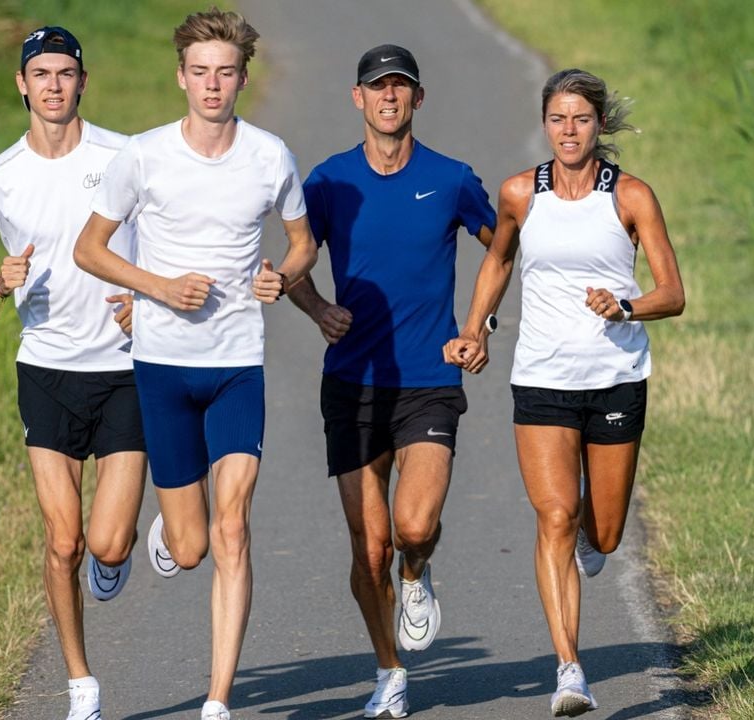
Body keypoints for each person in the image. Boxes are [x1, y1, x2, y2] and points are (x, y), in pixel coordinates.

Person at [71, 8, 317, 720]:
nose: (213, 85)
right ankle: (171, 531)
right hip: (163, 364)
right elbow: (91, 250)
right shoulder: (144, 156)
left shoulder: (270, 156)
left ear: (243, 77)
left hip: (238, 361)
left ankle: (217, 701)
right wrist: (157, 288)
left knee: (233, 523)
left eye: (226, 72)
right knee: (192, 544)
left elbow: (302, 244)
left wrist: (284, 276)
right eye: (201, 72)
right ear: (181, 77)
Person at [445, 68, 685, 717]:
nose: (569, 130)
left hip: (614, 379)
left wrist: (627, 306)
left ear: (599, 125)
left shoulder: (631, 196)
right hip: (543, 378)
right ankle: (570, 670)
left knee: (601, 534)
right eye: (558, 118)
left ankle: (591, 537)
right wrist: (476, 329)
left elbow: (673, 292)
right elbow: (499, 259)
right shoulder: (521, 193)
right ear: (545, 123)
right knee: (553, 514)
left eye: (581, 118)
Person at [0, 26, 148, 720]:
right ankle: (81, 681)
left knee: (107, 542)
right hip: (47, 369)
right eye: (40, 74)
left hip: (123, 367)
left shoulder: (125, 157)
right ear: (21, 85)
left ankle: (114, 558)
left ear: (83, 81)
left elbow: (173, 235)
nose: (53, 85)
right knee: (62, 539)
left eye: (65, 72)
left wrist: (144, 300)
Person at [286, 44, 496, 719]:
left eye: (400, 87)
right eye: (377, 88)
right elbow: (293, 262)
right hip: (351, 382)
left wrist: (479, 326)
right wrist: (318, 308)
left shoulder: (453, 178)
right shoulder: (328, 183)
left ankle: (417, 572)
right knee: (367, 546)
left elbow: (505, 247)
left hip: (429, 378)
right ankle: (390, 671)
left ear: (417, 99)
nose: (389, 97)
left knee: (413, 525)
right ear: (358, 98)